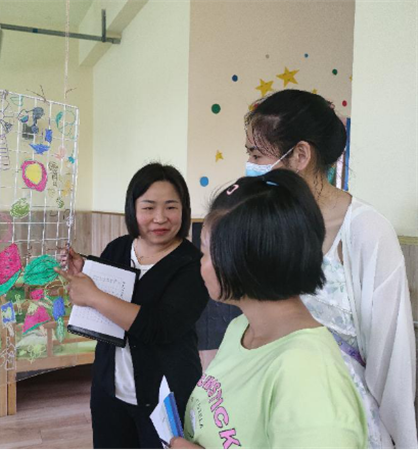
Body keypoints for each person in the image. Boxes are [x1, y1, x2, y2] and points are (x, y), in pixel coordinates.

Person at [243, 89, 416, 449]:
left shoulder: (366, 230)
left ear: (300, 155)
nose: (250, 166)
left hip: (340, 415)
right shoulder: (271, 220)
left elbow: (392, 353)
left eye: (257, 155)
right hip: (273, 402)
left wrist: (400, 438)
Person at [172, 169, 367, 449]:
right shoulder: (241, 328)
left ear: (242, 259)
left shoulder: (309, 376)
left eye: (205, 252)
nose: (200, 263)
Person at [57, 163, 209, 450]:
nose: (160, 218)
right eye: (148, 207)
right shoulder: (118, 248)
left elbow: (159, 327)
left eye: (171, 207)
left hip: (166, 399)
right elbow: (104, 299)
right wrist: (86, 271)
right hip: (109, 391)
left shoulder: (193, 265)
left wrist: (93, 295)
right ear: (133, 209)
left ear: (184, 209)